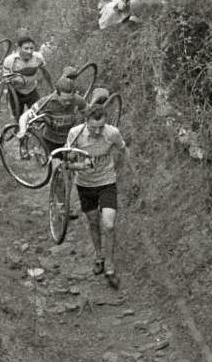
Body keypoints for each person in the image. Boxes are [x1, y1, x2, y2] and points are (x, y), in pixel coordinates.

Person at [65, 105, 128, 289]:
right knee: (93, 222)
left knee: (108, 225)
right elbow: (66, 163)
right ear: (86, 122)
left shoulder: (112, 133)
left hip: (107, 183)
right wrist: (80, 166)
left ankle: (109, 266)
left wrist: (132, 173)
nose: (98, 131)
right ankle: (98, 256)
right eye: (94, 127)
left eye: (101, 126)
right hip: (85, 185)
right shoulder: (75, 134)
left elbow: (124, 150)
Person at [16, 76, 87, 154]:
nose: (68, 103)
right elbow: (24, 116)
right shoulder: (46, 102)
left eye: (70, 99)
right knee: (57, 163)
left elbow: (89, 113)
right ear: (57, 94)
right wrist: (22, 130)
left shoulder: (78, 100)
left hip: (70, 139)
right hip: (51, 140)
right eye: (64, 100)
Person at [2, 34, 49, 120]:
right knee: (18, 118)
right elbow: (5, 80)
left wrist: (52, 86)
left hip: (31, 91)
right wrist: (13, 83)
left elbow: (45, 71)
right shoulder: (10, 60)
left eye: (31, 48)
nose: (29, 51)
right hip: (16, 93)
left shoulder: (38, 58)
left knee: (37, 115)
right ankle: (19, 131)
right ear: (19, 48)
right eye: (26, 48)